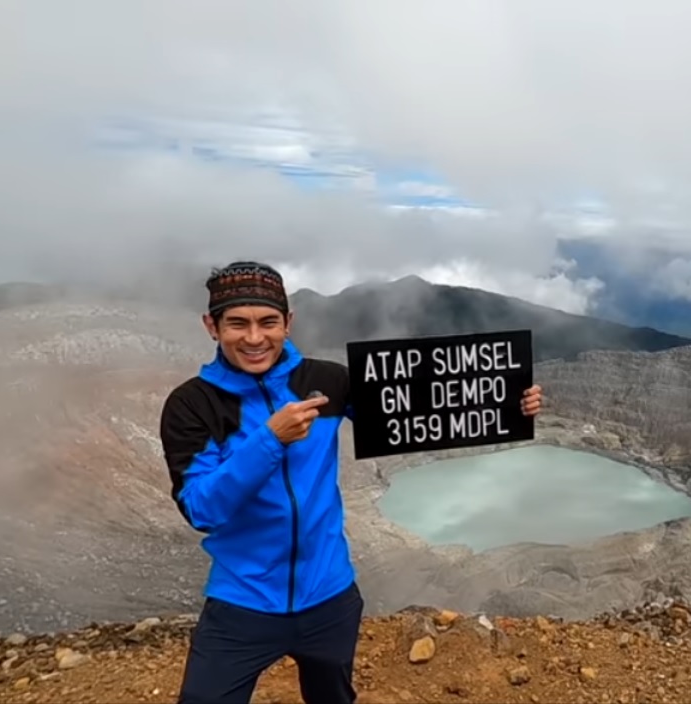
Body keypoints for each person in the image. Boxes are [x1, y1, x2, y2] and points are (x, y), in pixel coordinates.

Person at [158, 261, 543, 704]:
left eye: (268, 322)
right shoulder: (192, 405)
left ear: (288, 322)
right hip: (242, 603)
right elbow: (202, 509)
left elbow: (423, 412)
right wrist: (270, 440)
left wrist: (511, 402)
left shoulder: (327, 380)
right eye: (236, 324)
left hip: (330, 596)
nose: (254, 338)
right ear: (212, 326)